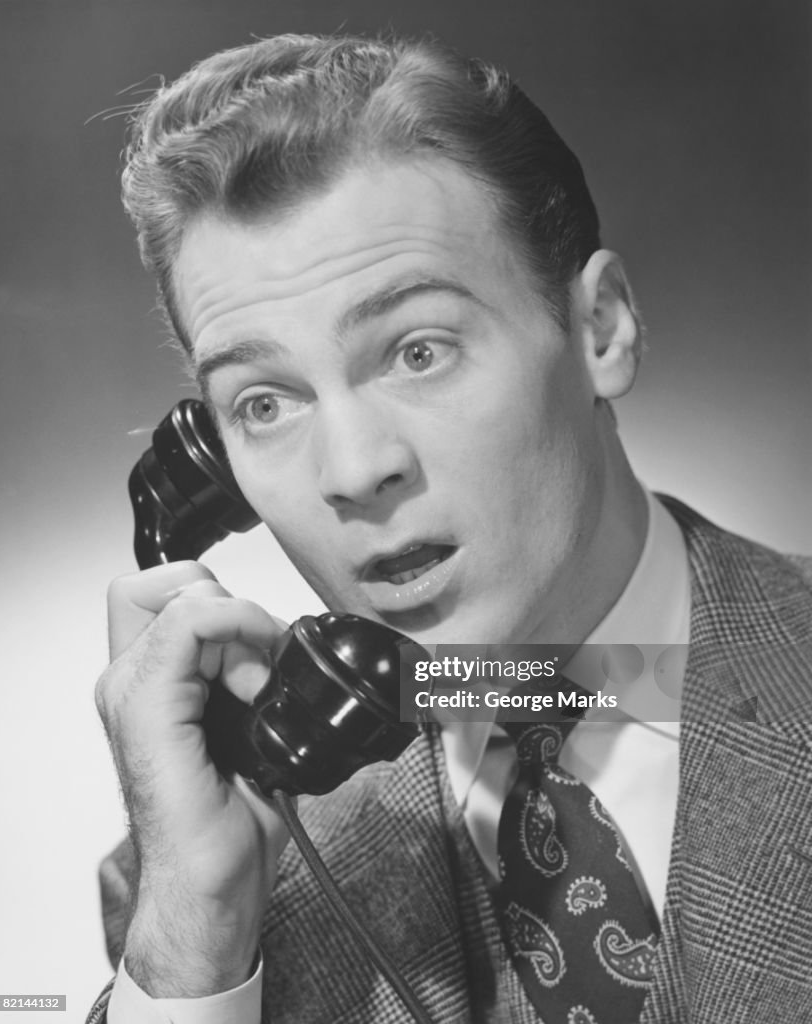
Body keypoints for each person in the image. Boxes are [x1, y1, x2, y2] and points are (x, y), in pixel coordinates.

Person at [86, 33, 812, 1024]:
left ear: (599, 328)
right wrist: (194, 940)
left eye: (416, 350)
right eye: (263, 403)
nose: (352, 472)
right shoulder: (204, 882)